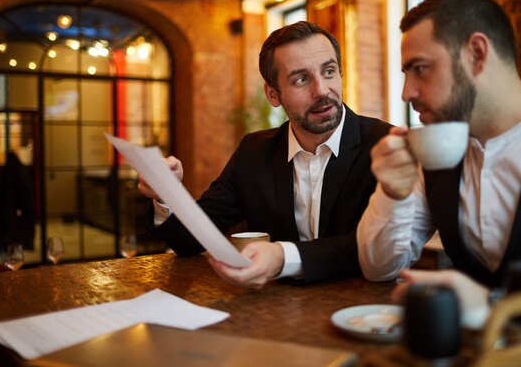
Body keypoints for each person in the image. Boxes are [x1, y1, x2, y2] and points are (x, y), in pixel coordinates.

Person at [356, 0, 521, 330]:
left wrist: (493, 306)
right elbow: (378, 269)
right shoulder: (437, 155)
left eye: (420, 69)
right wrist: (392, 195)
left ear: (477, 54)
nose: (406, 92)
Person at [139, 21, 392, 289]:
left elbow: (377, 246)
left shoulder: (386, 145)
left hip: (365, 312)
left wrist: (284, 258)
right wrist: (165, 193)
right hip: (275, 314)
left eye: (329, 72)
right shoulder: (254, 151)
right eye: (301, 79)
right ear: (273, 94)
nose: (321, 90)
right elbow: (190, 239)